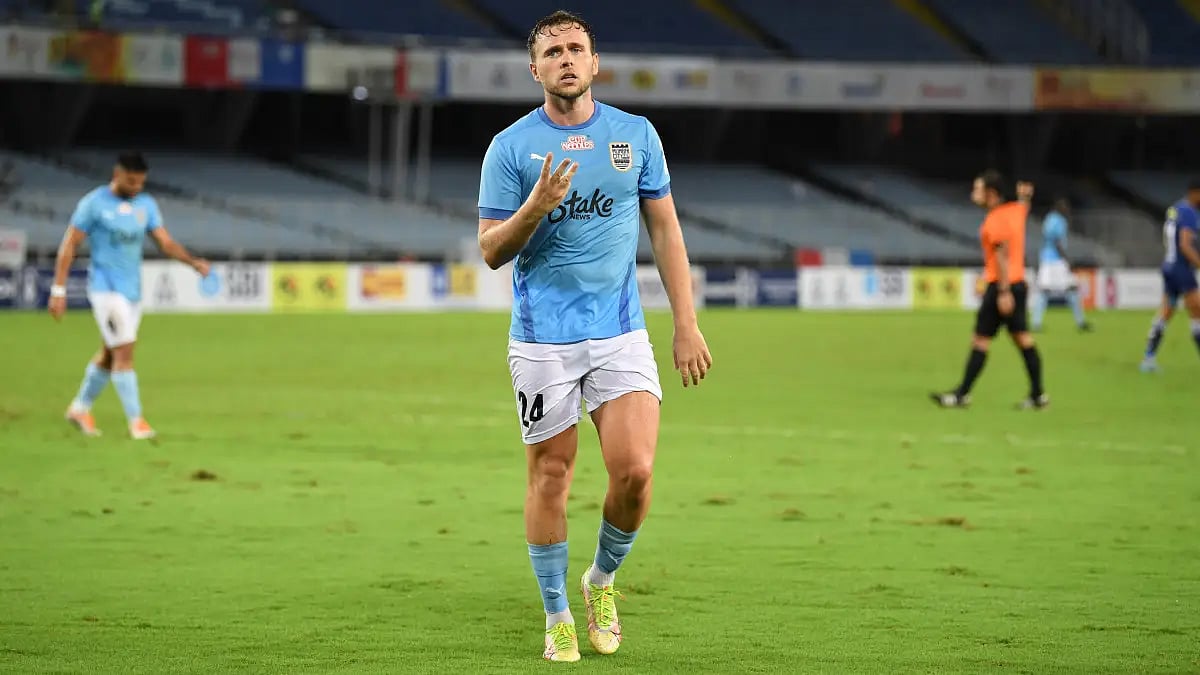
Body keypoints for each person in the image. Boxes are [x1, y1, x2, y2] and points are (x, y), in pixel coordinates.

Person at [476, 10, 712, 663]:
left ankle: (600, 581)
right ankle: (556, 612)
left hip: (620, 331)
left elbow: (665, 229)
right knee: (551, 473)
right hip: (542, 338)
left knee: (635, 471)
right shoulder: (510, 148)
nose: (566, 59)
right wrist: (536, 206)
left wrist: (685, 322)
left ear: (596, 61)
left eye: (576, 48)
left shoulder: (634, 136)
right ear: (535, 70)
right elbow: (491, 249)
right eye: (552, 52)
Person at [49, 151, 210, 439]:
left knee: (110, 356)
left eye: (140, 183)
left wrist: (193, 262)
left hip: (132, 292)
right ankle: (137, 423)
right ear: (117, 175)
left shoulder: (146, 205)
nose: (136, 187)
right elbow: (70, 244)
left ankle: (79, 408)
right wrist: (58, 290)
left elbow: (165, 243)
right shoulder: (93, 203)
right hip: (105, 289)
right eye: (131, 181)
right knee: (125, 352)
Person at [931, 171, 1048, 409]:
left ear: (991, 194)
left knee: (981, 339)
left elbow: (1002, 255)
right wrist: (1025, 196)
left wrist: (1003, 292)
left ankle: (962, 394)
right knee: (1022, 339)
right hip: (1018, 284)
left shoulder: (995, 220)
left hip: (1001, 286)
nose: (973, 193)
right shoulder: (1016, 211)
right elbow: (1023, 208)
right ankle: (1038, 395)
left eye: (977, 189)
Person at [1140, 180, 1200, 372]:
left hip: (1169, 265)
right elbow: (1185, 244)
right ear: (1195, 193)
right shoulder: (1190, 211)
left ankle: (1148, 358)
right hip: (1181, 268)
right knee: (1197, 311)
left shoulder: (1174, 208)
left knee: (1166, 311)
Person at [1030, 198, 1092, 332]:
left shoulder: (1048, 219)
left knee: (1044, 291)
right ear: (1060, 207)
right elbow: (1057, 241)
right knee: (1071, 289)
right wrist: (1066, 259)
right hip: (1056, 260)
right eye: (1065, 207)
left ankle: (1036, 323)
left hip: (1046, 259)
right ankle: (1080, 322)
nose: (1067, 209)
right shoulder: (1059, 221)